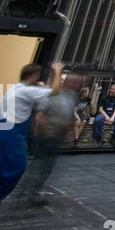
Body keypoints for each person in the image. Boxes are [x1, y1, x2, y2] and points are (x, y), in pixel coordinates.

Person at [0, 61, 63, 223]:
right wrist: (57, 71)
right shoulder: (26, 91)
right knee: (16, 169)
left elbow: (43, 98)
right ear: (34, 76)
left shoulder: (15, 89)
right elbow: (54, 91)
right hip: (11, 132)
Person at [18, 75, 81, 206]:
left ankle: (33, 192)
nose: (75, 84)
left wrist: (67, 131)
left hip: (56, 136)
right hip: (46, 135)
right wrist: (43, 130)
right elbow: (40, 114)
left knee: (47, 167)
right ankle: (25, 192)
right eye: (73, 82)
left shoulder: (72, 97)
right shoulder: (52, 94)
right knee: (38, 164)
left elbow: (67, 115)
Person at [92, 82, 115, 148]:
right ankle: (98, 138)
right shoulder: (104, 97)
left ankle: (113, 138)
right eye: (114, 89)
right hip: (103, 113)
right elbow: (100, 109)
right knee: (98, 120)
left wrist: (112, 117)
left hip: (113, 113)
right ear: (110, 89)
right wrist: (106, 116)